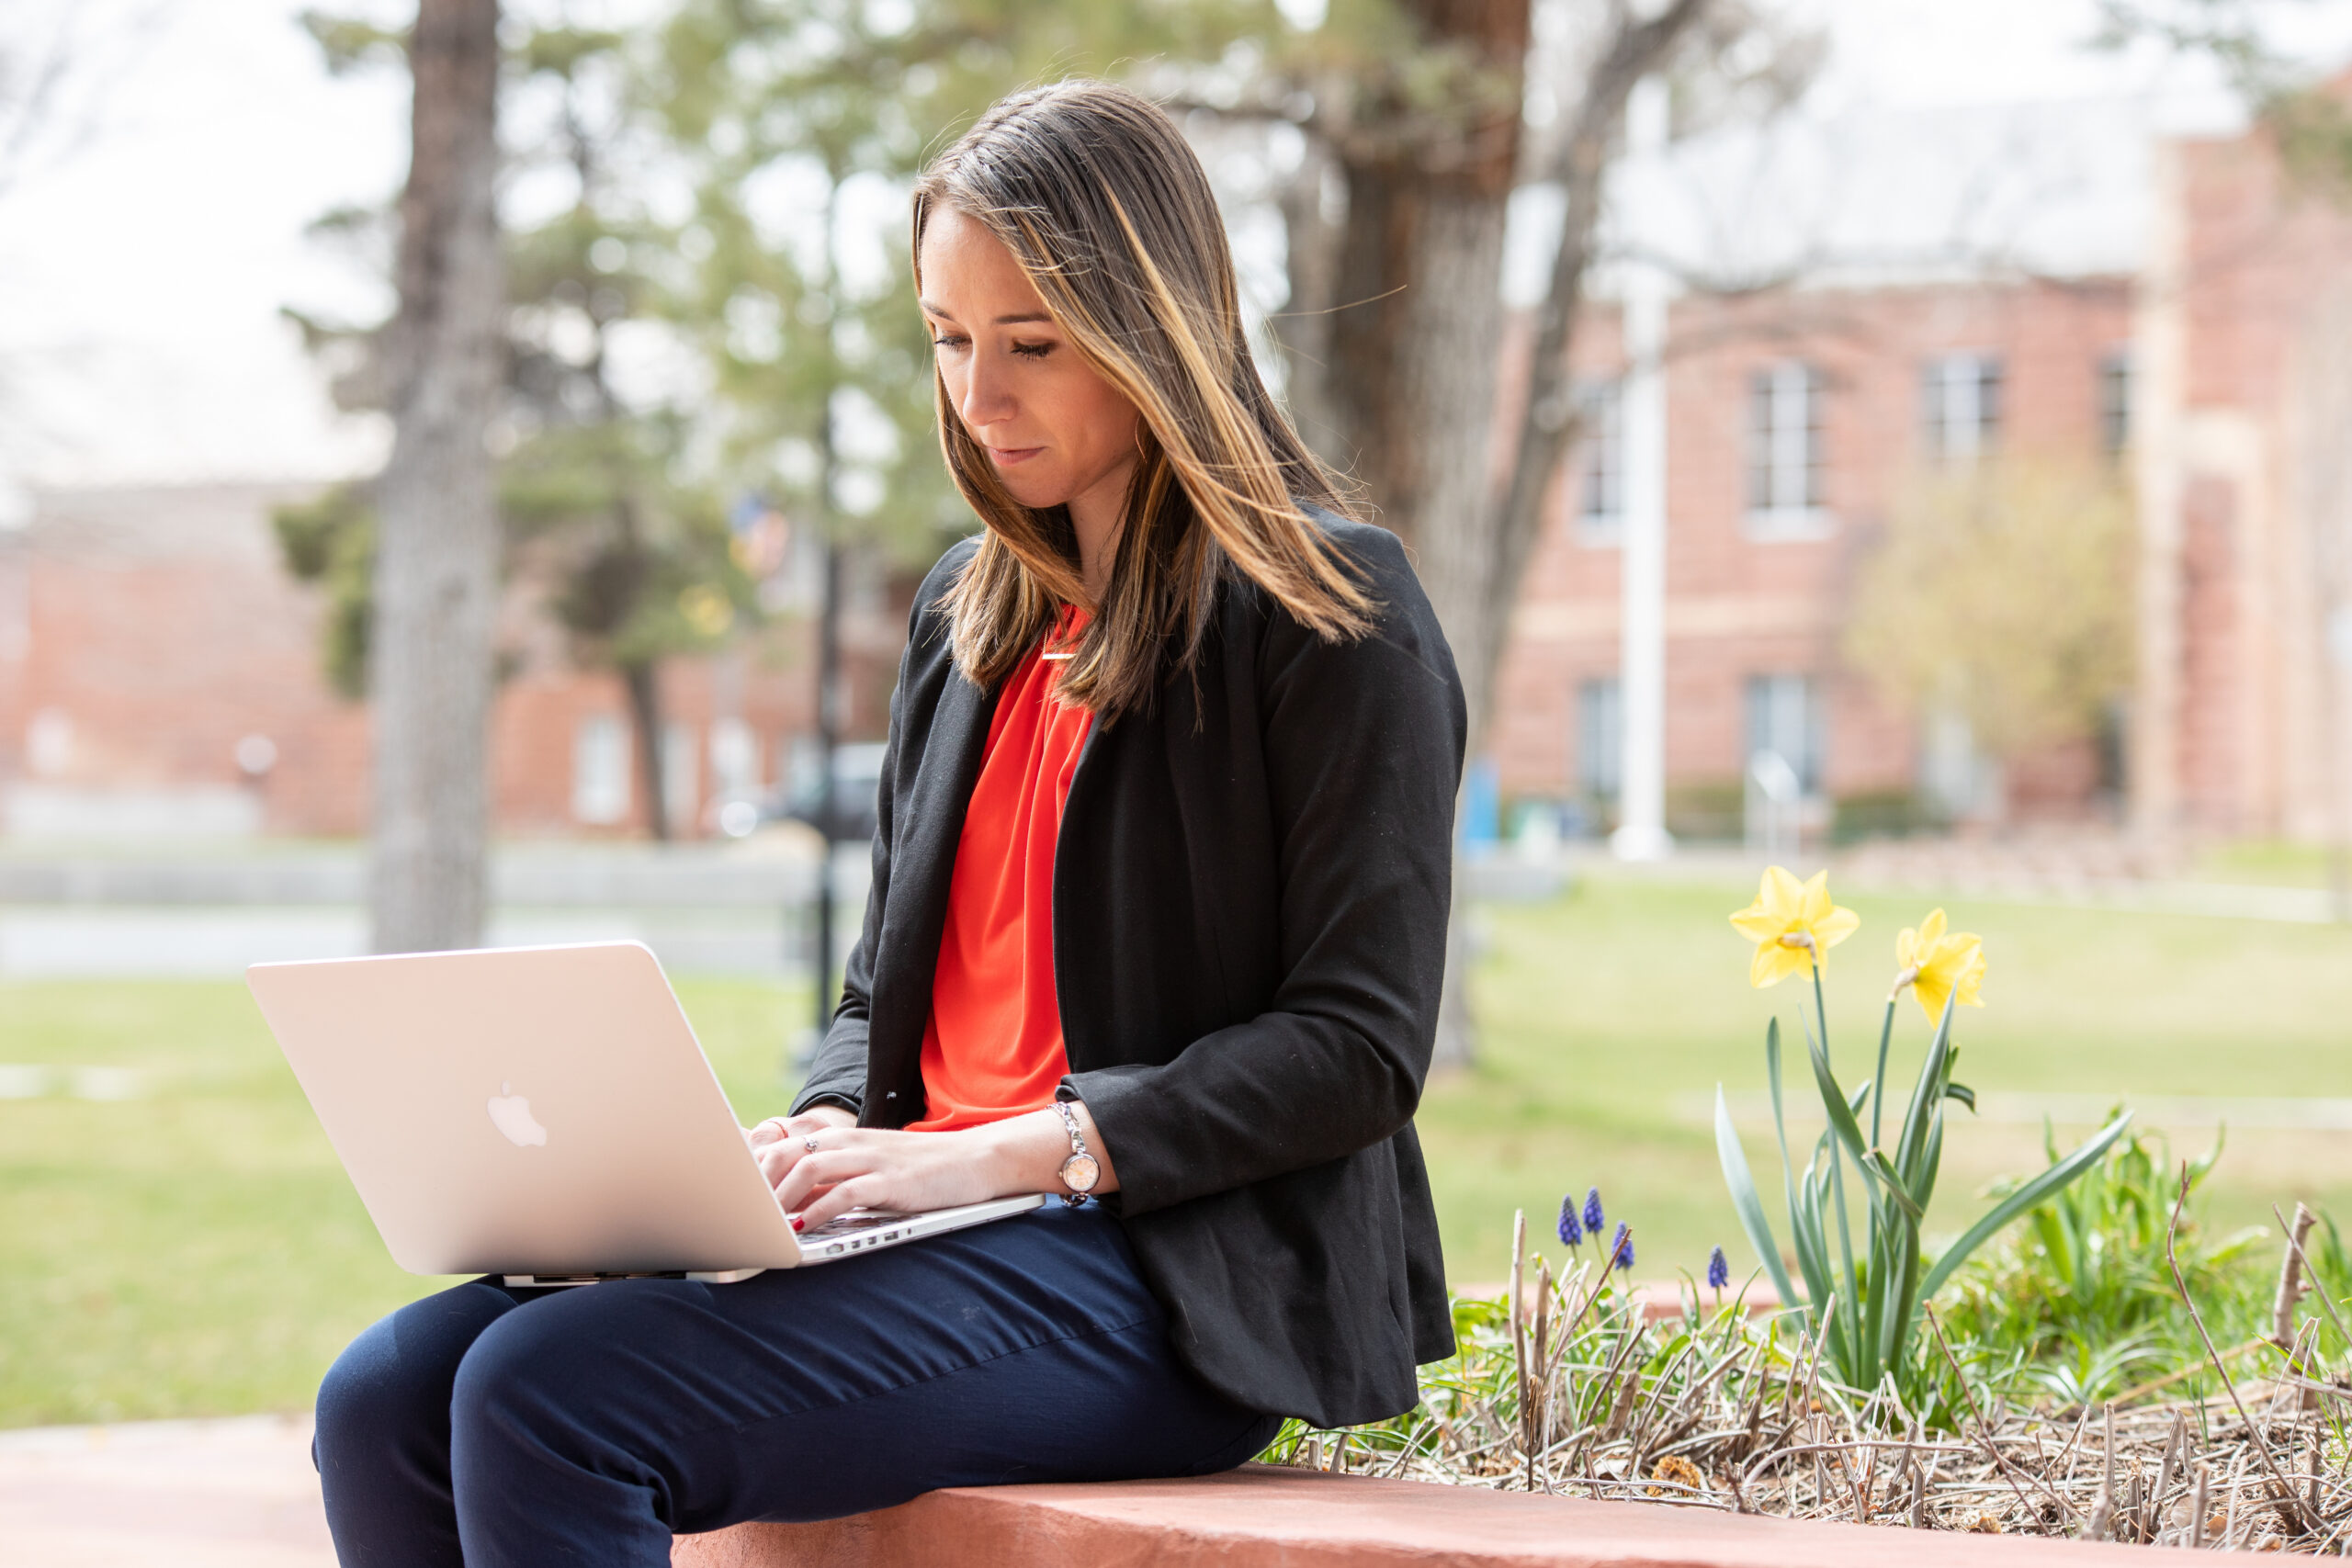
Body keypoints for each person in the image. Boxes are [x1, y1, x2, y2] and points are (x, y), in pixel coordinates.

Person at [311, 79, 1465, 1568]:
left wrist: (1003, 1157)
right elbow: (883, 992)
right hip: (928, 1226)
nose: (979, 397)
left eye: (1033, 345)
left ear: (1157, 326)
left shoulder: (1328, 612)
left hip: (1166, 1273)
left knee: (555, 1399)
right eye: (949, 338)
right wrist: (833, 1127)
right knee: (384, 1396)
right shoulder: (964, 613)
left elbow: (1358, 1051)